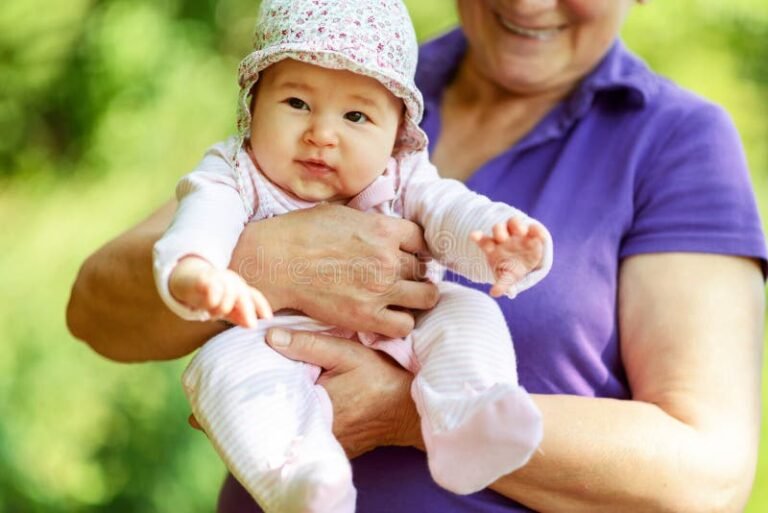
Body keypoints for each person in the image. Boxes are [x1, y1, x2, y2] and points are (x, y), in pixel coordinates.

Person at [67, 0, 767, 512]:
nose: (527, 3)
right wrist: (260, 264)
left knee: (463, 315)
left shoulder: (675, 140)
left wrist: (407, 409)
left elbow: (707, 476)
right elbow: (96, 309)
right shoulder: (348, 63)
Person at [152, 1, 552, 511]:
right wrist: (197, 270)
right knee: (223, 368)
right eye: (297, 103)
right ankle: (301, 480)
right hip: (278, 339)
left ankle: (467, 417)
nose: (322, 133)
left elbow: (451, 211)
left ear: (396, 134)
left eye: (357, 115)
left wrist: (497, 242)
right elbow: (204, 213)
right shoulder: (238, 171)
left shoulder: (402, 174)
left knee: (469, 310)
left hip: (405, 324)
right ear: (253, 105)